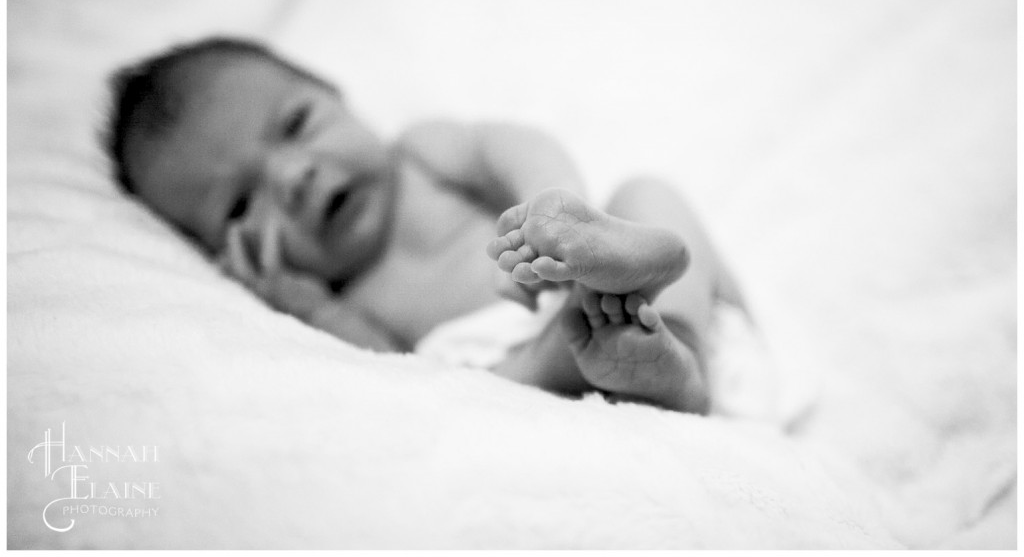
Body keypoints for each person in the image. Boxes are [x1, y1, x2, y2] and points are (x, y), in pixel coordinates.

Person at [106, 36, 750, 414]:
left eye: (297, 124)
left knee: (646, 190)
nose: (294, 177)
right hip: (519, 366)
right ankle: (614, 358)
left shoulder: (418, 153)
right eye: (241, 203)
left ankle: (667, 330)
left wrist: (549, 205)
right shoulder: (335, 299)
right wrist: (308, 310)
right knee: (456, 394)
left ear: (337, 93)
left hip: (582, 278)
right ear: (226, 252)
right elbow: (387, 374)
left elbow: (510, 145)